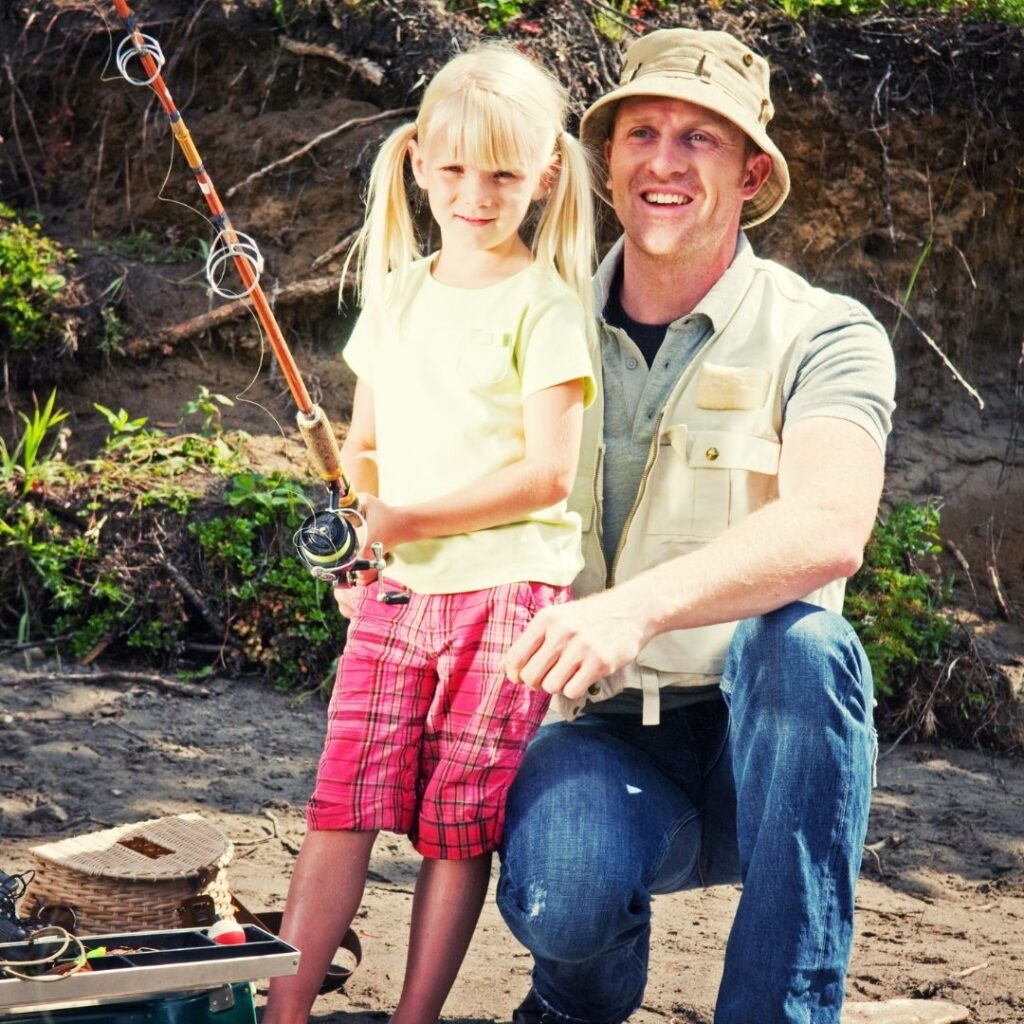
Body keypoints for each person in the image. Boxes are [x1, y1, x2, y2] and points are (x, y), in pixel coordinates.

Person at [497, 27, 896, 1024]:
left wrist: (634, 608)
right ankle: (575, 1002)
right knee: (563, 893)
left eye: (699, 139)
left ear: (752, 173)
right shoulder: (530, 328)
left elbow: (829, 525)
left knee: (804, 641)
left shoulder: (826, 333)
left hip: (773, 741)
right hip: (606, 732)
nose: (664, 162)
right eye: (643, 133)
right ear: (606, 158)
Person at [261, 43, 597, 1024]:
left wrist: (404, 516)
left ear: (542, 175)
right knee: (341, 804)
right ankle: (283, 1014)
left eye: (500, 173)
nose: (474, 193)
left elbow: (546, 473)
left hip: (510, 594)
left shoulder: (547, 306)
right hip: (397, 590)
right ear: (417, 164)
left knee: (458, 821)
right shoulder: (400, 293)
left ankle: (415, 1019)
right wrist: (362, 540)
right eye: (452, 169)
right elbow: (361, 446)